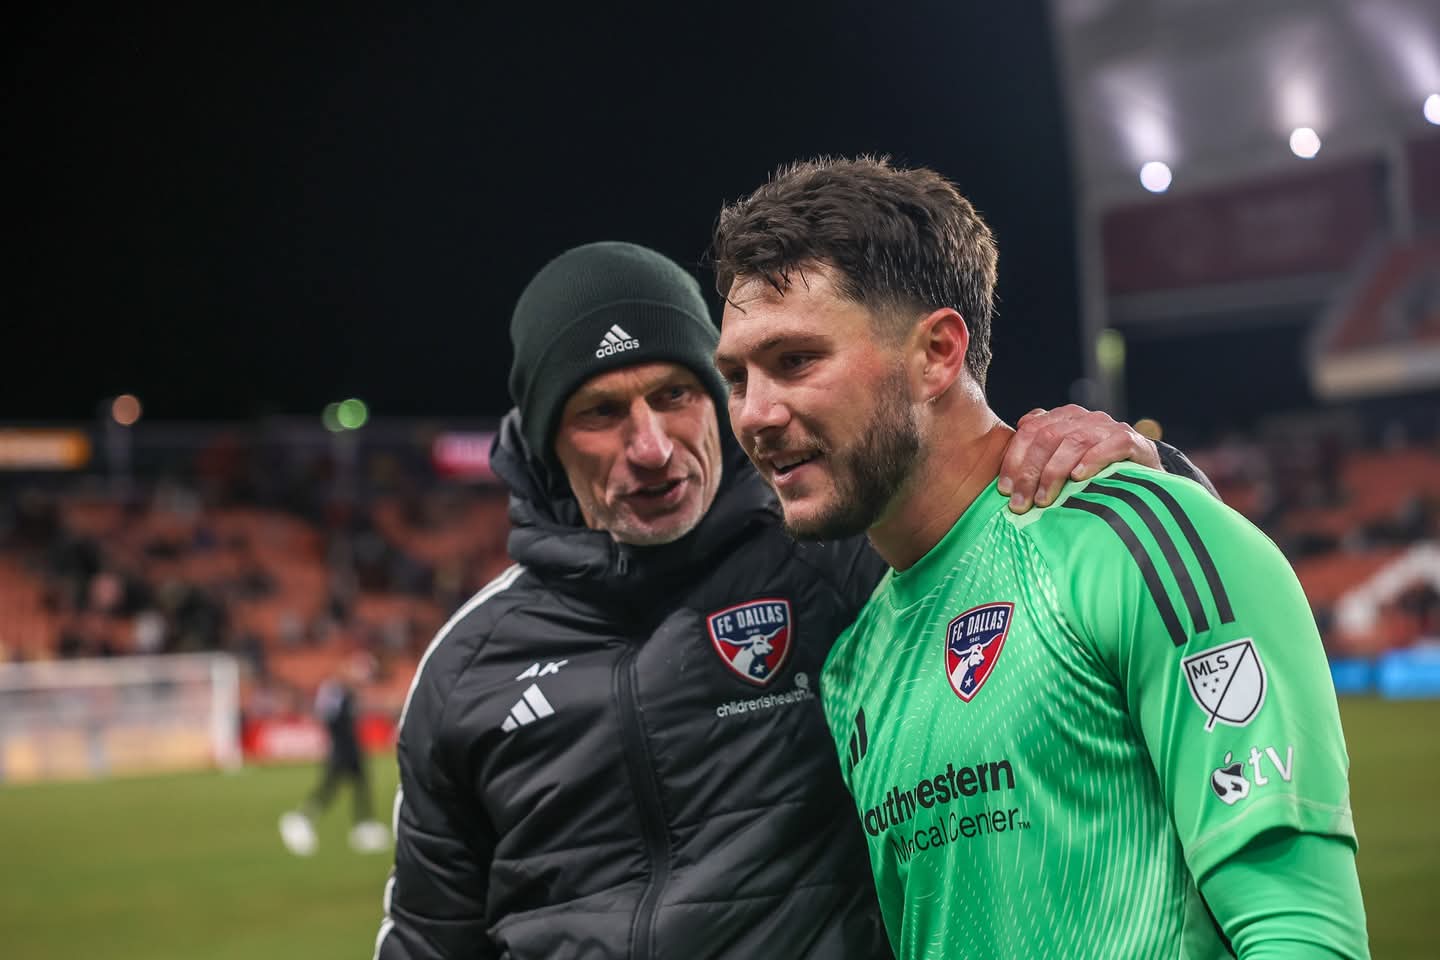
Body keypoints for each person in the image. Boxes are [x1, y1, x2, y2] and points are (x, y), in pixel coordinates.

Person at [375, 241, 1211, 959]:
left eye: (675, 394)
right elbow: (427, 938)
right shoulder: (467, 668)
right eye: (601, 413)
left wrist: (1143, 462)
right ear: (544, 442)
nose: (653, 448)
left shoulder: (843, 552)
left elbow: (1095, 550)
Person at [711, 156, 1368, 959]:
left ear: (938, 353)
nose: (754, 413)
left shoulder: (1134, 540)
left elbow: (1300, 933)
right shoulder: (853, 668)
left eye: (795, 361)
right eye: (736, 376)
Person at [280, 653, 389, 855]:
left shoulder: (345, 692)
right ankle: (304, 817)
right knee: (332, 785)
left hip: (350, 746)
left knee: (360, 784)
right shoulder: (334, 690)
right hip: (342, 747)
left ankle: (363, 825)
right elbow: (331, 717)